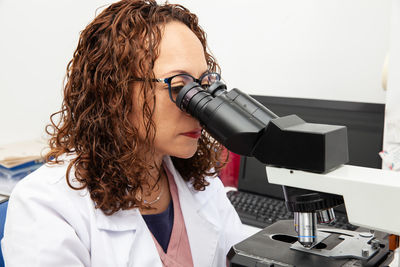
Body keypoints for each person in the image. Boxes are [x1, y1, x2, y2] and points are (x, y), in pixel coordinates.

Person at [1, 1, 246, 266]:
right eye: (179, 88)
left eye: (204, 86)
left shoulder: (203, 185)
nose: (199, 108)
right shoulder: (45, 205)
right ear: (114, 93)